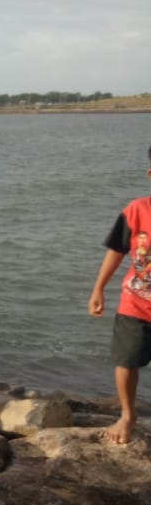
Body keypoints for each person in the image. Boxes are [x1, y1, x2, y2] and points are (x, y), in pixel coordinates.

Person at [88, 144, 151, 445]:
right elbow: (116, 250)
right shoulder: (137, 210)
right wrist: (99, 288)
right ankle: (127, 415)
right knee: (126, 361)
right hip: (136, 304)